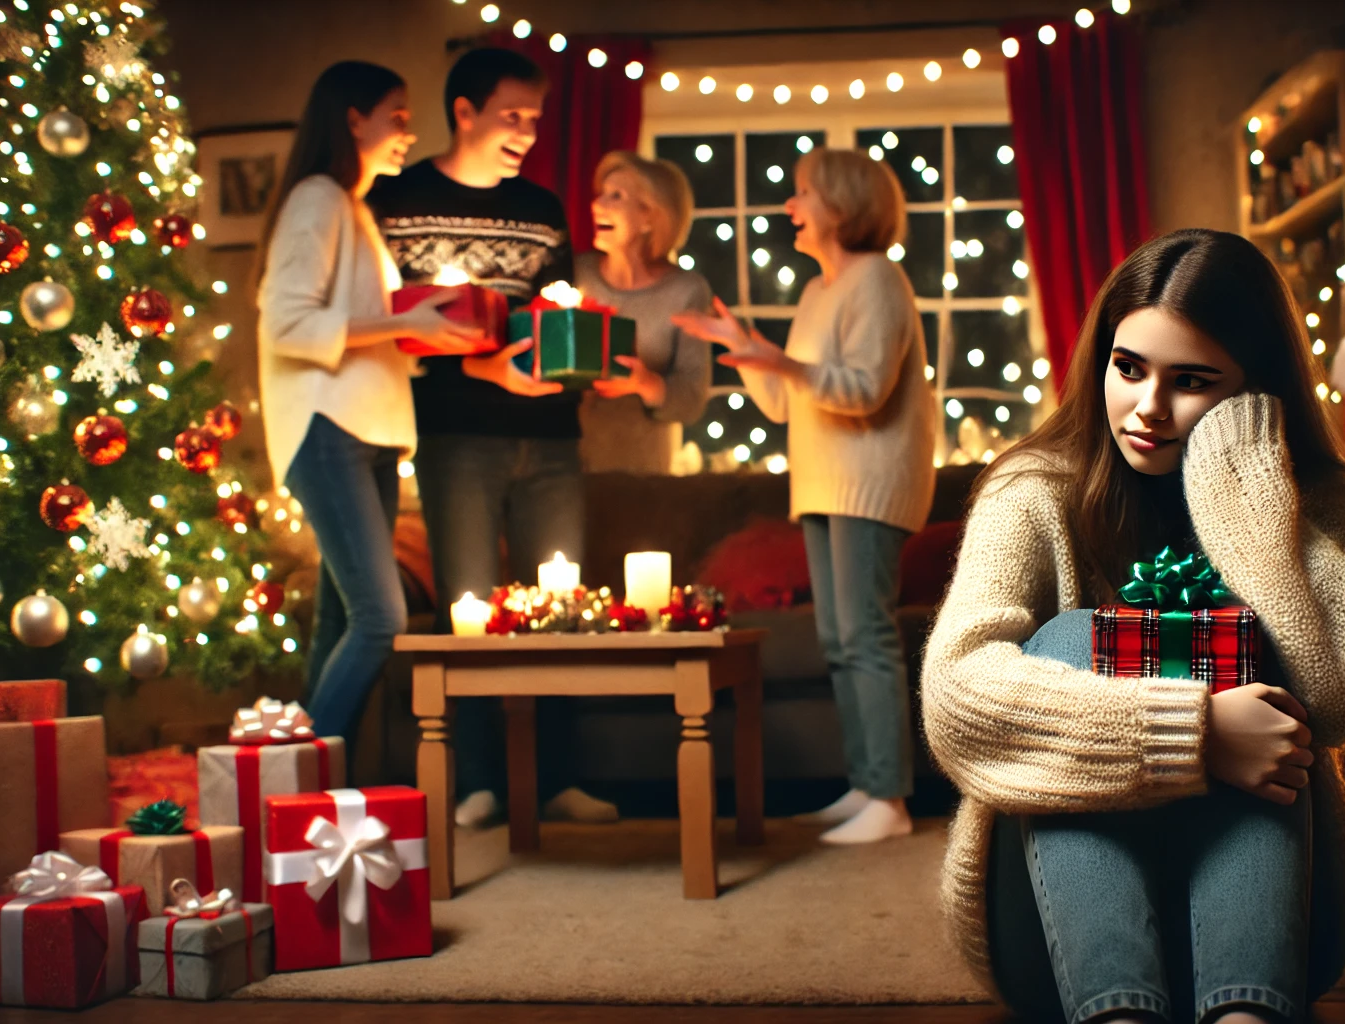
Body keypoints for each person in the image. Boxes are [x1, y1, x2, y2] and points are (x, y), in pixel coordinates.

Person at [920, 229, 1345, 1024]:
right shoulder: (1034, 489)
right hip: (1057, 939)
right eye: (1129, 368)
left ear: (1256, 390)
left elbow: (1338, 699)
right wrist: (1196, 734)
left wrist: (1247, 499)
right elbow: (955, 697)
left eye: (1191, 381)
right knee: (1072, 637)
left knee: (1251, 652)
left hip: (1272, 933)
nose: (1148, 408)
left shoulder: (1314, 504)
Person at [367, 47, 615, 828]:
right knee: (466, 612)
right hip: (455, 438)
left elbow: (556, 315)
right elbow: (386, 332)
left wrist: (573, 361)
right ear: (464, 112)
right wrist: (482, 376)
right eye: (512, 116)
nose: (528, 133)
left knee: (561, 609)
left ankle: (556, 779)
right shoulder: (392, 201)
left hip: (549, 438)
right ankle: (479, 780)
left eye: (536, 120)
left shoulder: (542, 208)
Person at [674, 149, 937, 845]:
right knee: (839, 640)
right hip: (823, 482)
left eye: (802, 194)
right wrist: (748, 348)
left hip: (870, 480)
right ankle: (867, 785)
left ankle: (891, 799)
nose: (790, 207)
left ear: (842, 205)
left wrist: (780, 360)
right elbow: (788, 403)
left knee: (865, 636)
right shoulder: (820, 290)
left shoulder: (878, 279)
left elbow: (865, 391)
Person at [256, 62, 483, 744]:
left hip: (368, 430)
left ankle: (305, 796)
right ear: (354, 120)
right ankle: (296, 791)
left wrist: (425, 324)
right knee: (380, 618)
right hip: (330, 431)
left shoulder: (353, 208)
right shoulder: (319, 199)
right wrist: (408, 325)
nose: (409, 134)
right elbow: (286, 325)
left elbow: (368, 326)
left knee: (339, 622)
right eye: (399, 116)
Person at [575, 151, 714, 474]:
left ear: (650, 217)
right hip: (566, 466)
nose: (597, 205)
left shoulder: (686, 291)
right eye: (601, 194)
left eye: (616, 196)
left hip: (643, 474)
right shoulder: (576, 275)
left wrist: (644, 383)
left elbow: (692, 400)